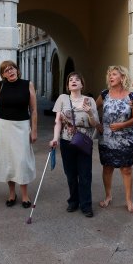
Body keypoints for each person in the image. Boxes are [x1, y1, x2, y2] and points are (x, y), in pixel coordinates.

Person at [51, 72, 100, 217]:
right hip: (67, 140)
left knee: (85, 174)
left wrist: (90, 112)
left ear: (82, 84)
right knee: (71, 173)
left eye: (77, 79)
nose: (74, 81)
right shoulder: (62, 99)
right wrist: (55, 138)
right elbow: (58, 121)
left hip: (84, 140)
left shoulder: (89, 100)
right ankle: (73, 201)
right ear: (67, 85)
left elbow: (94, 123)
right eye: (70, 80)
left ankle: (86, 205)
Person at [0, 60, 37, 208]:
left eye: (12, 68)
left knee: (22, 160)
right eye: (6, 70)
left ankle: (25, 195)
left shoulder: (27, 84)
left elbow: (34, 109)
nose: (10, 72)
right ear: (3, 74)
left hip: (22, 126)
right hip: (2, 126)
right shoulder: (0, 85)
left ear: (17, 69)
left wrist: (34, 129)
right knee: (8, 161)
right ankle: (11, 194)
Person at [96, 65, 133, 213]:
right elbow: (92, 110)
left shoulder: (131, 96)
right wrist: (97, 125)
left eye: (114, 74)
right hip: (106, 138)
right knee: (107, 167)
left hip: (125, 138)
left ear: (122, 77)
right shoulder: (104, 94)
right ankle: (108, 196)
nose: (111, 77)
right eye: (109, 75)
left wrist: (122, 124)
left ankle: (128, 200)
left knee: (126, 169)